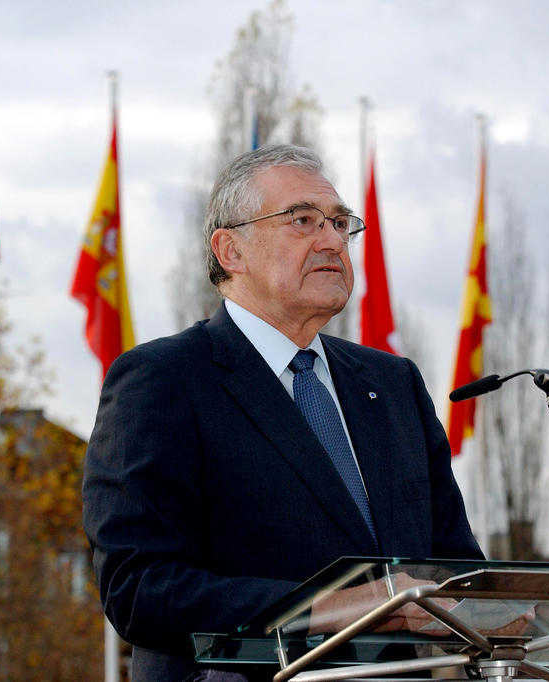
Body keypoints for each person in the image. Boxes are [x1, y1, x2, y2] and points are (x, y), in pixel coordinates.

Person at [82, 144, 482, 681]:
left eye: (341, 223)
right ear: (231, 250)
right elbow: (140, 590)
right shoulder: (163, 380)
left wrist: (513, 605)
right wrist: (341, 607)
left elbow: (456, 568)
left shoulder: (393, 384)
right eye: (303, 220)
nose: (333, 240)